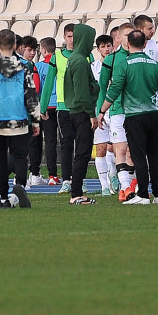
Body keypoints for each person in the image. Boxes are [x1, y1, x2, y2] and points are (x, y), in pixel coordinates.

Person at [101, 29, 158, 205]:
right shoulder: (154, 64)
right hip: (154, 114)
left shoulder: (124, 64)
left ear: (129, 44)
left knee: (138, 156)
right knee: (154, 155)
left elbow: (114, 89)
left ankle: (143, 195)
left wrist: (102, 111)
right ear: (145, 44)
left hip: (133, 115)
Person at [0, 29, 40, 209]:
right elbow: (31, 94)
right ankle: (19, 186)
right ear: (14, 46)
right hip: (19, 118)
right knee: (20, 156)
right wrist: (35, 120)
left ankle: (3, 197)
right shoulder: (23, 67)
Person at [97, 21, 138, 202]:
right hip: (117, 110)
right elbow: (103, 87)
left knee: (133, 152)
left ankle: (130, 186)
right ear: (119, 37)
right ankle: (125, 188)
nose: (129, 38)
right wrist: (101, 111)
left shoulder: (139, 57)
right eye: (126, 35)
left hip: (136, 111)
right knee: (120, 149)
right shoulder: (111, 59)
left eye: (132, 35)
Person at [63, 23, 100, 205]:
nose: (91, 44)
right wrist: (91, 114)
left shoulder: (76, 59)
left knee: (82, 153)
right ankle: (76, 194)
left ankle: (76, 192)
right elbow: (82, 92)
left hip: (77, 111)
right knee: (83, 153)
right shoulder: (79, 61)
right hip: (81, 113)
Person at [40, 23, 78, 194]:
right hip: (63, 106)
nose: (71, 40)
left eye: (74, 36)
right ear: (64, 37)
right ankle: (67, 180)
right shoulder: (57, 57)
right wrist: (43, 105)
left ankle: (80, 180)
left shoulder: (85, 56)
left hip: (81, 107)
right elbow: (48, 83)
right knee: (66, 144)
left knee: (82, 146)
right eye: (69, 36)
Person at [90, 34, 119, 198]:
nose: (107, 49)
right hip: (98, 110)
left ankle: (114, 175)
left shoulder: (118, 63)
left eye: (109, 45)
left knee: (115, 147)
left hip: (115, 109)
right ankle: (104, 186)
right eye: (103, 46)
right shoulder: (94, 67)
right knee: (100, 149)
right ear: (98, 49)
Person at [18, 36, 46, 188]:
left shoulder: (23, 65)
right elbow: (34, 89)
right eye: (29, 50)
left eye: (34, 50)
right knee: (32, 143)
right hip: (28, 110)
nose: (32, 53)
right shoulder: (28, 66)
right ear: (22, 49)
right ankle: (31, 175)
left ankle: (32, 173)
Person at [37, 37, 60, 186]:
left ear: (44, 50)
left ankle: (52, 175)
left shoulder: (39, 66)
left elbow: (38, 89)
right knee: (66, 142)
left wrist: (41, 107)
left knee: (50, 142)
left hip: (47, 107)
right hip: (62, 106)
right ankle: (70, 175)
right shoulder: (62, 63)